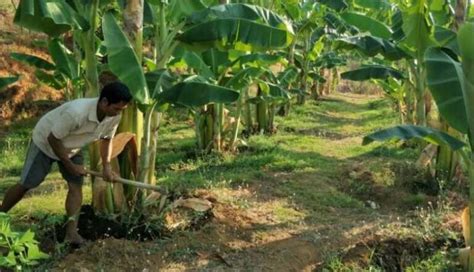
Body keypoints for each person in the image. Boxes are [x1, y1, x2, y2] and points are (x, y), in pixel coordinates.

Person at [0, 82, 132, 246]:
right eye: (117, 108)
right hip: (45, 143)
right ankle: (1, 214)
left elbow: (106, 140)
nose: (118, 113)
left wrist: (106, 167)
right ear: (104, 102)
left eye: (121, 110)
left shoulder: (113, 116)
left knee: (76, 187)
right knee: (27, 184)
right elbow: (53, 138)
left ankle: (71, 233)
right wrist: (70, 165)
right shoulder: (77, 113)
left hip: (72, 147)